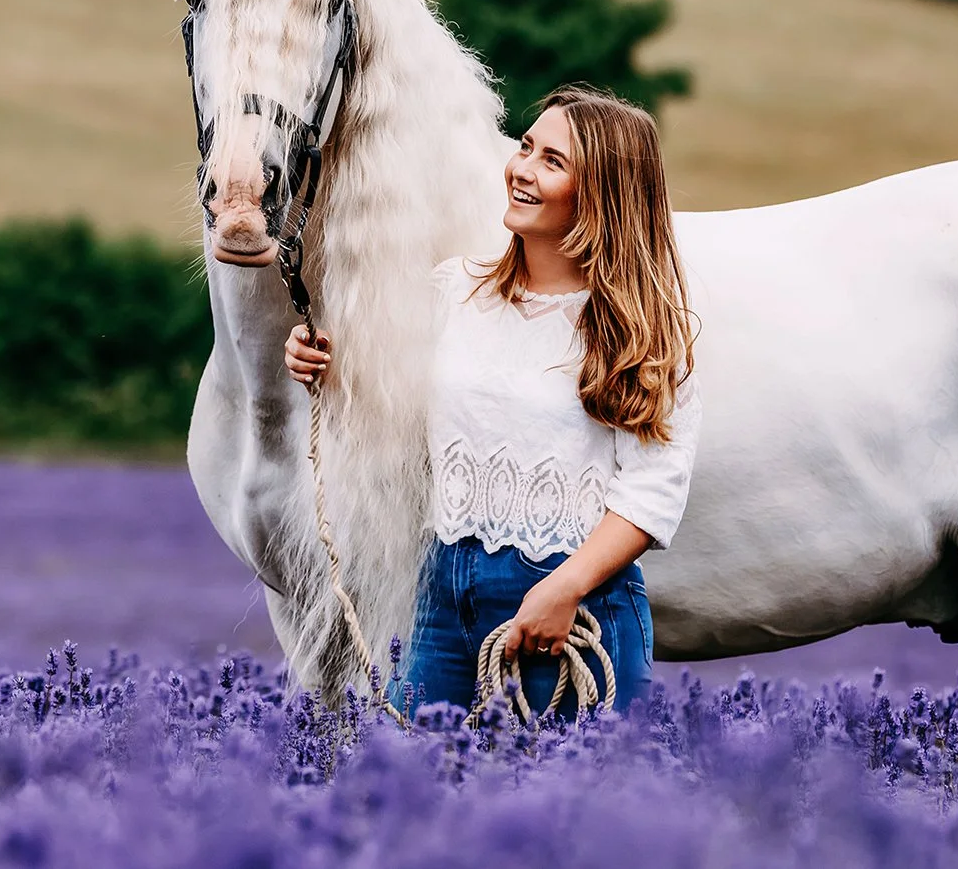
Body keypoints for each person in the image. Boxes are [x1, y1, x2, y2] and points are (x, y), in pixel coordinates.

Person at [284, 86, 703, 719]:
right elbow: (392, 399)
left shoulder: (642, 334)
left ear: (603, 195)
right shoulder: (454, 293)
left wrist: (561, 590)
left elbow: (652, 492)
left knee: (575, 807)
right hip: (443, 591)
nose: (522, 169)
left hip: (574, 598)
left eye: (552, 161)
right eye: (526, 147)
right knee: (414, 787)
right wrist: (322, 364)